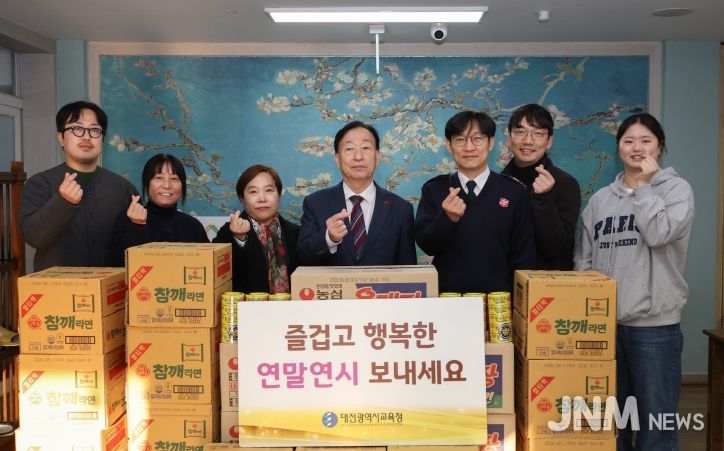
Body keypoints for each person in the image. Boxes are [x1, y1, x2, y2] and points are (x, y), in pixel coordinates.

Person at [574, 113, 694, 451]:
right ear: (618, 147)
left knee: (656, 424)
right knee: (612, 425)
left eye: (646, 141)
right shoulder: (601, 199)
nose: (637, 148)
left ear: (660, 146)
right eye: (628, 141)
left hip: (654, 328)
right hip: (605, 328)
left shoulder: (677, 190)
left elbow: (658, 234)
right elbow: (584, 259)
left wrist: (643, 187)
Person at [415, 110, 536, 293]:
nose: (469, 147)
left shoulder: (514, 192)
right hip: (448, 298)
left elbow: (524, 256)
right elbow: (427, 245)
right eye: (460, 140)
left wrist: (518, 300)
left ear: (491, 143)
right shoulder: (434, 189)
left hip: (498, 300)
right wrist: (447, 218)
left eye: (477, 139)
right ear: (449, 145)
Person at [19, 100, 138, 271]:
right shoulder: (39, 184)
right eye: (77, 128)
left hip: (112, 285)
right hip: (58, 285)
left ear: (102, 139)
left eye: (94, 130)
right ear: (61, 138)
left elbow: (136, 249)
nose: (86, 136)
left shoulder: (124, 188)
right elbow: (34, 238)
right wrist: (63, 202)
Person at [297, 121, 416, 266]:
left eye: (366, 148)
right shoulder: (315, 203)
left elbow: (408, 269)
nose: (358, 156)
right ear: (337, 159)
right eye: (349, 149)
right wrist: (329, 238)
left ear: (378, 157)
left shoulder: (401, 209)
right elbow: (303, 256)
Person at [501, 104, 581, 270]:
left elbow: (559, 250)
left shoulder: (565, 184)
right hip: (503, 283)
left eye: (538, 134)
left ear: (549, 141)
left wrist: (543, 199)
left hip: (546, 284)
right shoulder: (498, 183)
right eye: (520, 132)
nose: (528, 141)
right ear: (509, 138)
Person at [213, 164, 300, 294]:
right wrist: (240, 239)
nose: (262, 199)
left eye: (269, 190)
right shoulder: (227, 233)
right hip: (245, 306)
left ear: (279, 194)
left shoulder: (296, 233)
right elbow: (219, 276)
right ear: (242, 198)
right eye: (253, 192)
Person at [111, 153, 208, 265]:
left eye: (174, 179)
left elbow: (209, 264)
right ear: (147, 184)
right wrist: (138, 227)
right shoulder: (128, 218)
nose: (167, 185)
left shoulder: (193, 226)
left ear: (182, 186)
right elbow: (119, 265)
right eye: (159, 178)